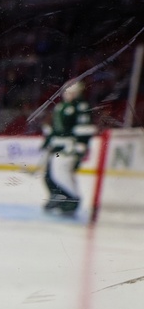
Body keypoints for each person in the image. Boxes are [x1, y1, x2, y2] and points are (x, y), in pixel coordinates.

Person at [42, 80, 96, 216]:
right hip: (58, 147)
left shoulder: (81, 106)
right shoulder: (61, 107)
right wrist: (48, 140)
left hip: (68, 148)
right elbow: (56, 127)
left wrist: (81, 145)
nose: (68, 94)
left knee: (61, 172)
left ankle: (71, 200)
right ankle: (57, 197)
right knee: (50, 174)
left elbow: (84, 128)